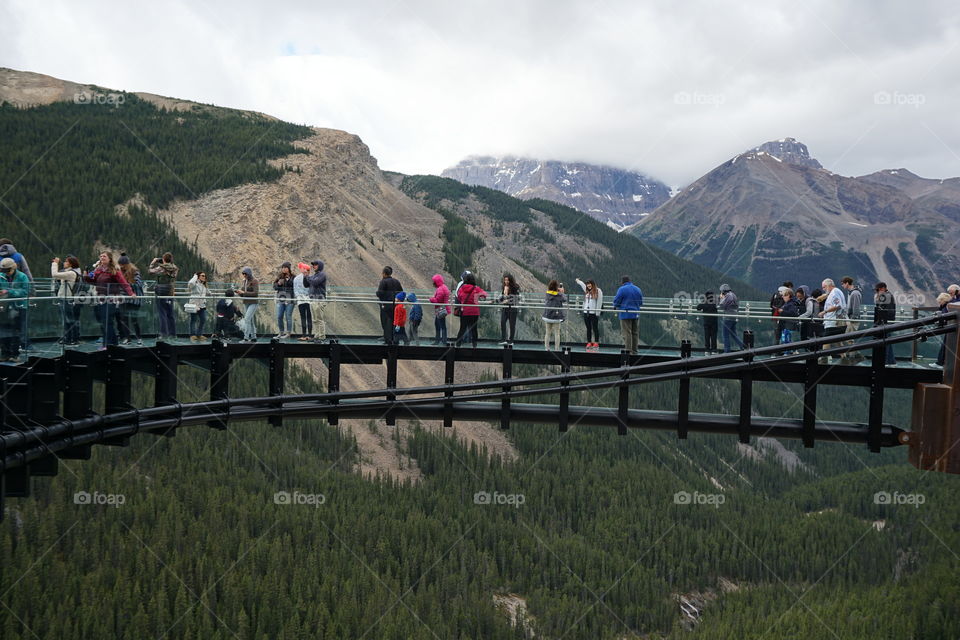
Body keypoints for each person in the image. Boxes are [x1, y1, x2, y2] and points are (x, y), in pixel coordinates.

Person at [86, 251, 134, 348]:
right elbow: (92, 280)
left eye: (104, 256)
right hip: (101, 299)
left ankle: (108, 344)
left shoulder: (114, 270)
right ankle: (112, 343)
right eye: (101, 256)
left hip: (111, 299)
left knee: (107, 322)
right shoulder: (98, 270)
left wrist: (131, 293)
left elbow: (123, 282)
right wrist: (86, 276)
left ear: (109, 259)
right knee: (104, 322)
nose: (102, 257)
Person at [0, 241, 33, 352]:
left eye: (7, 270)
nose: (6, 273)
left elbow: (25, 291)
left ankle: (21, 348)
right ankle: (6, 351)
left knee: (20, 328)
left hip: (20, 306)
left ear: (13, 268)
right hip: (5, 308)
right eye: (3, 271)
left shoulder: (22, 277)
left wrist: (9, 292)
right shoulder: (1, 276)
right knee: (5, 329)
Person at [51, 255, 83, 346]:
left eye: (66, 261)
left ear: (71, 264)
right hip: (64, 298)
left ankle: (73, 338)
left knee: (69, 319)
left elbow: (54, 275)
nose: (64, 262)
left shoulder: (71, 273)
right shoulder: (69, 272)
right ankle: (68, 338)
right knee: (66, 319)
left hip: (67, 298)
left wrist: (55, 263)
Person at [149, 252, 179, 340]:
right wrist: (166, 261)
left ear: (164, 259)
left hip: (161, 291)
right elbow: (172, 267)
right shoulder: (175, 268)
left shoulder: (161, 268)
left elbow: (150, 271)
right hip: (170, 291)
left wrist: (153, 262)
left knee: (162, 313)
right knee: (170, 313)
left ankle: (163, 334)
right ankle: (173, 334)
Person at [118, 254, 145, 346]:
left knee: (134, 319)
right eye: (120, 264)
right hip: (123, 298)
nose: (121, 266)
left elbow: (139, 283)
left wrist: (127, 284)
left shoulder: (135, 271)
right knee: (124, 319)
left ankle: (139, 338)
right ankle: (127, 338)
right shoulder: (119, 272)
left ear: (127, 264)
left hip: (134, 299)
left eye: (122, 264)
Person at [454, 272, 487, 348]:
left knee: (462, 328)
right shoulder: (476, 288)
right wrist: (477, 297)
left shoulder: (462, 288)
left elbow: (459, 297)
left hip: (464, 311)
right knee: (474, 329)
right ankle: (474, 345)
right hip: (474, 312)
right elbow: (484, 294)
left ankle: (458, 344)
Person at [612, 276, 644, 354]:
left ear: (622, 282)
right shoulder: (638, 289)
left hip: (625, 314)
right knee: (635, 332)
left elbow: (616, 301)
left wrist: (615, 306)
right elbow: (641, 302)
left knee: (627, 333)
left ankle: (628, 351)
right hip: (636, 313)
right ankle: (635, 350)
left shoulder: (622, 289)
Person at [818, 278, 847, 363]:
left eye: (824, 287)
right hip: (836, 321)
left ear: (828, 285)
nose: (823, 289)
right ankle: (844, 358)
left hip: (833, 321)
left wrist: (824, 311)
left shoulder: (834, 292)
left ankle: (823, 358)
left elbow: (838, 305)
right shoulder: (835, 292)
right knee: (837, 341)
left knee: (826, 339)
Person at [377, 266, 404, 345]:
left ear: (384, 274)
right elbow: (401, 292)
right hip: (395, 305)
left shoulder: (383, 282)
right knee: (394, 322)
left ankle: (387, 339)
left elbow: (380, 293)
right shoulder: (396, 281)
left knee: (385, 322)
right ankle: (395, 339)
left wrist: (378, 294)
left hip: (385, 306)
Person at [840, 276, 864, 363]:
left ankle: (855, 356)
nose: (842, 286)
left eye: (843, 284)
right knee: (849, 339)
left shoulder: (855, 293)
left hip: (853, 319)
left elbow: (856, 308)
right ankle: (854, 356)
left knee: (848, 338)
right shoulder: (851, 292)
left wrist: (852, 319)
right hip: (850, 318)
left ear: (847, 283)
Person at [873, 282, 897, 365]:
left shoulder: (886, 296)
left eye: (878, 290)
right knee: (888, 341)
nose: (877, 292)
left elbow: (881, 308)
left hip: (886, 322)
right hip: (888, 322)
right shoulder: (888, 295)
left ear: (883, 288)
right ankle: (891, 361)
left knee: (885, 342)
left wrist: (877, 299)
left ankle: (885, 361)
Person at [575, 277, 603, 350]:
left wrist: (597, 312)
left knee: (595, 328)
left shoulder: (598, 291)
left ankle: (596, 342)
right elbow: (582, 285)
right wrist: (578, 281)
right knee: (588, 328)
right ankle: (589, 342)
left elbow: (599, 302)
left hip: (593, 313)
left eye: (589, 284)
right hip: (586, 312)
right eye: (587, 285)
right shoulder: (586, 291)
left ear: (593, 284)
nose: (588, 286)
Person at [304, 260, 328, 342]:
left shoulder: (322, 274)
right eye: (313, 265)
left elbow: (314, 282)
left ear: (320, 266)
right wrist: (305, 276)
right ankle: (317, 335)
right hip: (313, 299)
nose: (313, 266)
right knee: (315, 319)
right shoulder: (315, 275)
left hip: (319, 300)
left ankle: (321, 336)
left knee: (319, 319)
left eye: (315, 265)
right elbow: (306, 284)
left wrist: (308, 277)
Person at [234, 267, 259, 343]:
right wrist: (239, 292)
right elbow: (243, 292)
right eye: (243, 274)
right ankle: (254, 337)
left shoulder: (255, 281)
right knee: (251, 320)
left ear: (249, 273)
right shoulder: (244, 282)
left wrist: (243, 293)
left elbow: (255, 293)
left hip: (253, 303)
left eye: (245, 274)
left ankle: (246, 338)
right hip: (246, 302)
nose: (244, 275)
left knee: (247, 319)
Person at [717, 284, 744, 353]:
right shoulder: (733, 295)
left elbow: (722, 306)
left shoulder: (728, 296)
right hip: (734, 317)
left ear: (723, 291)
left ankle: (727, 352)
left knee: (725, 335)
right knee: (734, 335)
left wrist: (720, 298)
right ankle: (743, 346)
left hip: (727, 318)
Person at [542, 280, 567, 351]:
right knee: (557, 333)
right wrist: (562, 292)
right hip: (556, 317)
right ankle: (556, 349)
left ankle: (547, 348)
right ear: (556, 287)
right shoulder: (559, 295)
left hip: (548, 316)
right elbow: (565, 299)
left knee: (547, 333)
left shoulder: (547, 294)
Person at [273, 262, 296, 339]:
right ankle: (281, 332)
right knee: (279, 316)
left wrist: (288, 280)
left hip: (290, 298)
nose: (283, 269)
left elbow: (295, 286)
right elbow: (274, 286)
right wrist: (279, 284)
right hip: (281, 298)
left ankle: (288, 333)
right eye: (282, 267)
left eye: (285, 267)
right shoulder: (280, 276)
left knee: (288, 316)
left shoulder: (293, 277)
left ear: (288, 268)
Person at [498, 273, 521, 345]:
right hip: (505, 308)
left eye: (507, 280)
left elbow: (516, 298)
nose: (506, 282)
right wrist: (496, 300)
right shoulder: (504, 287)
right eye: (505, 280)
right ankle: (503, 339)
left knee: (512, 325)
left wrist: (508, 300)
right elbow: (502, 297)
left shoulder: (515, 287)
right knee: (502, 322)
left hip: (512, 308)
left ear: (510, 280)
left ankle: (511, 340)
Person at [187, 271, 210, 341]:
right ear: (198, 276)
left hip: (202, 305)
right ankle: (192, 335)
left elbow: (208, 292)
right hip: (194, 305)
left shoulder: (204, 285)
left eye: (205, 276)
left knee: (203, 319)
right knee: (193, 320)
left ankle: (199, 334)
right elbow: (190, 283)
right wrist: (195, 276)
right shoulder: (195, 284)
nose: (204, 277)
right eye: (202, 275)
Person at [429, 274, 450, 345]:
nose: (433, 283)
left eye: (433, 281)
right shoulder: (443, 287)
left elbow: (437, 300)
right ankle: (441, 340)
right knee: (440, 325)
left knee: (440, 325)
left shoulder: (440, 289)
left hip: (440, 309)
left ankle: (441, 341)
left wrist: (431, 299)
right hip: (443, 308)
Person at [293, 262, 312, 341]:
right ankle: (308, 335)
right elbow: (296, 288)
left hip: (303, 299)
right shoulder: (298, 278)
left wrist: (298, 296)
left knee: (304, 317)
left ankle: (305, 335)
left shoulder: (298, 278)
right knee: (307, 317)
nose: (305, 271)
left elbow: (295, 289)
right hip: (305, 299)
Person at [935, 292, 952, 367]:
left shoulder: (946, 307)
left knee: (944, 346)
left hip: (949, 329)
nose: (939, 302)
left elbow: (944, 318)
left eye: (940, 301)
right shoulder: (947, 306)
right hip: (950, 329)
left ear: (943, 300)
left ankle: (940, 363)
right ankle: (941, 362)